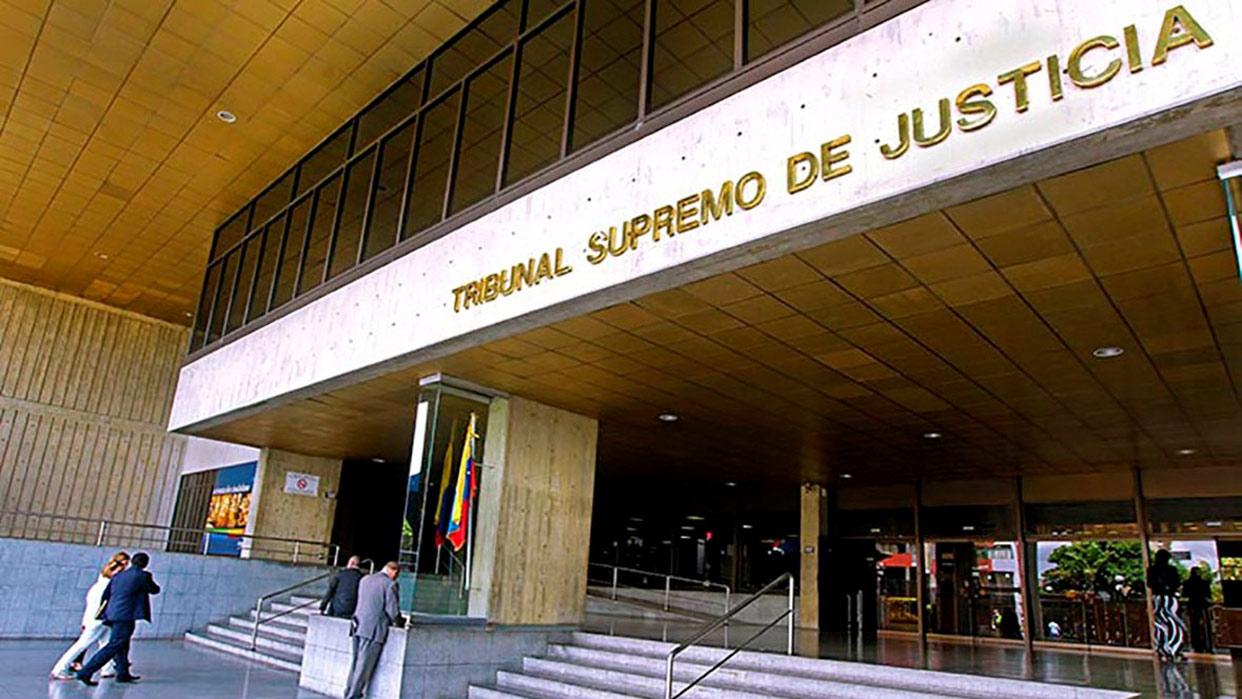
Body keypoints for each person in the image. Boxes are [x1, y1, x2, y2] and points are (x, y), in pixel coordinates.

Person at [76, 551, 161, 686]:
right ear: (145, 564)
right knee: (115, 644)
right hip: (126, 615)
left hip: (112, 613)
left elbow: (106, 595)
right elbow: (154, 590)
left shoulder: (118, 576)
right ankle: (86, 672)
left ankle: (123, 673)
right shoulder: (143, 576)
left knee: (122, 644)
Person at [50, 552, 129, 680]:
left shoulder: (99, 584)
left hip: (98, 618)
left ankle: (107, 669)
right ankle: (60, 669)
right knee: (83, 644)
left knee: (106, 644)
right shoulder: (108, 586)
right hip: (100, 619)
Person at [345, 561, 403, 699]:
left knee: (355, 663)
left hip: (357, 625)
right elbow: (392, 610)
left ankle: (348, 692)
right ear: (394, 571)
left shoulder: (365, 580)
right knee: (363, 666)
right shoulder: (390, 584)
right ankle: (354, 696)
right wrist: (399, 621)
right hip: (373, 630)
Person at [1147, 549, 1187, 662]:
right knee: (1173, 624)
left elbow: (1149, 583)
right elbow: (1177, 583)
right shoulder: (1171, 570)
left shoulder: (1152, 570)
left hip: (1157, 599)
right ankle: (1174, 649)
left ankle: (1163, 649)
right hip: (1169, 599)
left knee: (1160, 624)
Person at [1184, 565, 1212, 654]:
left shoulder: (1187, 583)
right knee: (1205, 626)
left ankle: (1195, 645)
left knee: (1194, 626)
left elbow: (1185, 594)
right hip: (1202, 604)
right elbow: (1208, 595)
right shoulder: (1204, 583)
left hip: (1192, 604)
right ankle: (1207, 645)